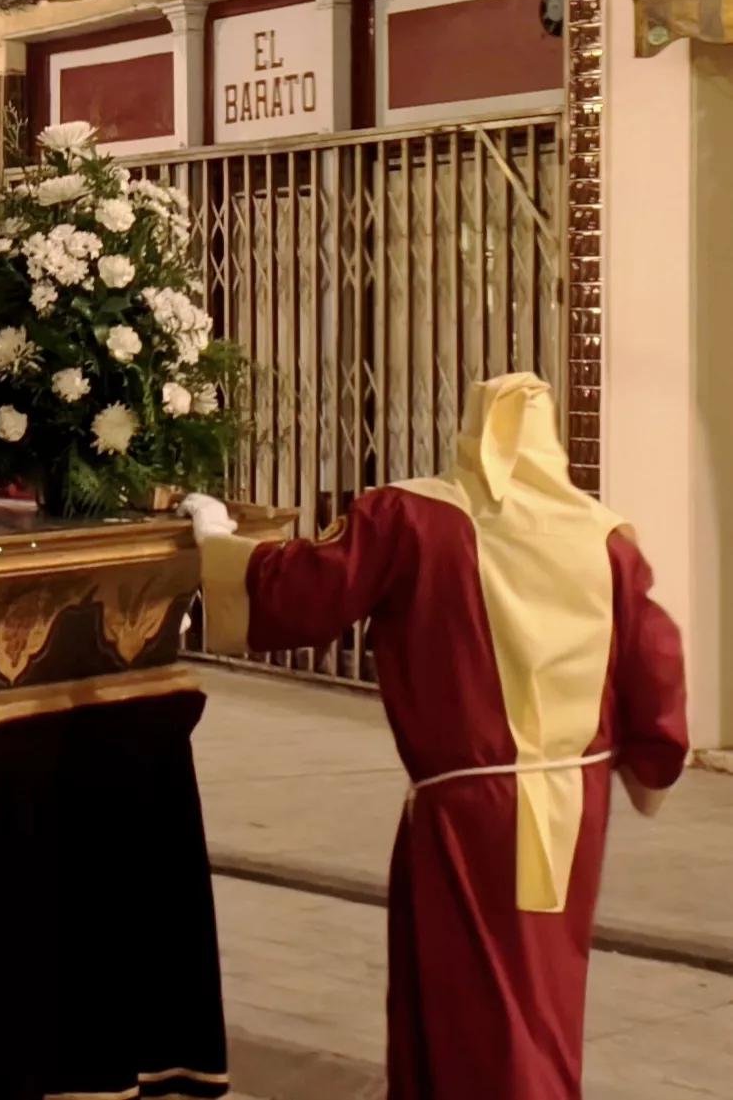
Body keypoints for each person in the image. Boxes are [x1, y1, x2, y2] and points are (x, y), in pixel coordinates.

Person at [183, 373, 688, 1100]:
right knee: (538, 998)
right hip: (573, 805)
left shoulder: (415, 517)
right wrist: (652, 761)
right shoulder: (603, 536)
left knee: (476, 1011)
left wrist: (219, 544)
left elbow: (312, 587)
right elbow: (655, 652)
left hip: (468, 812)